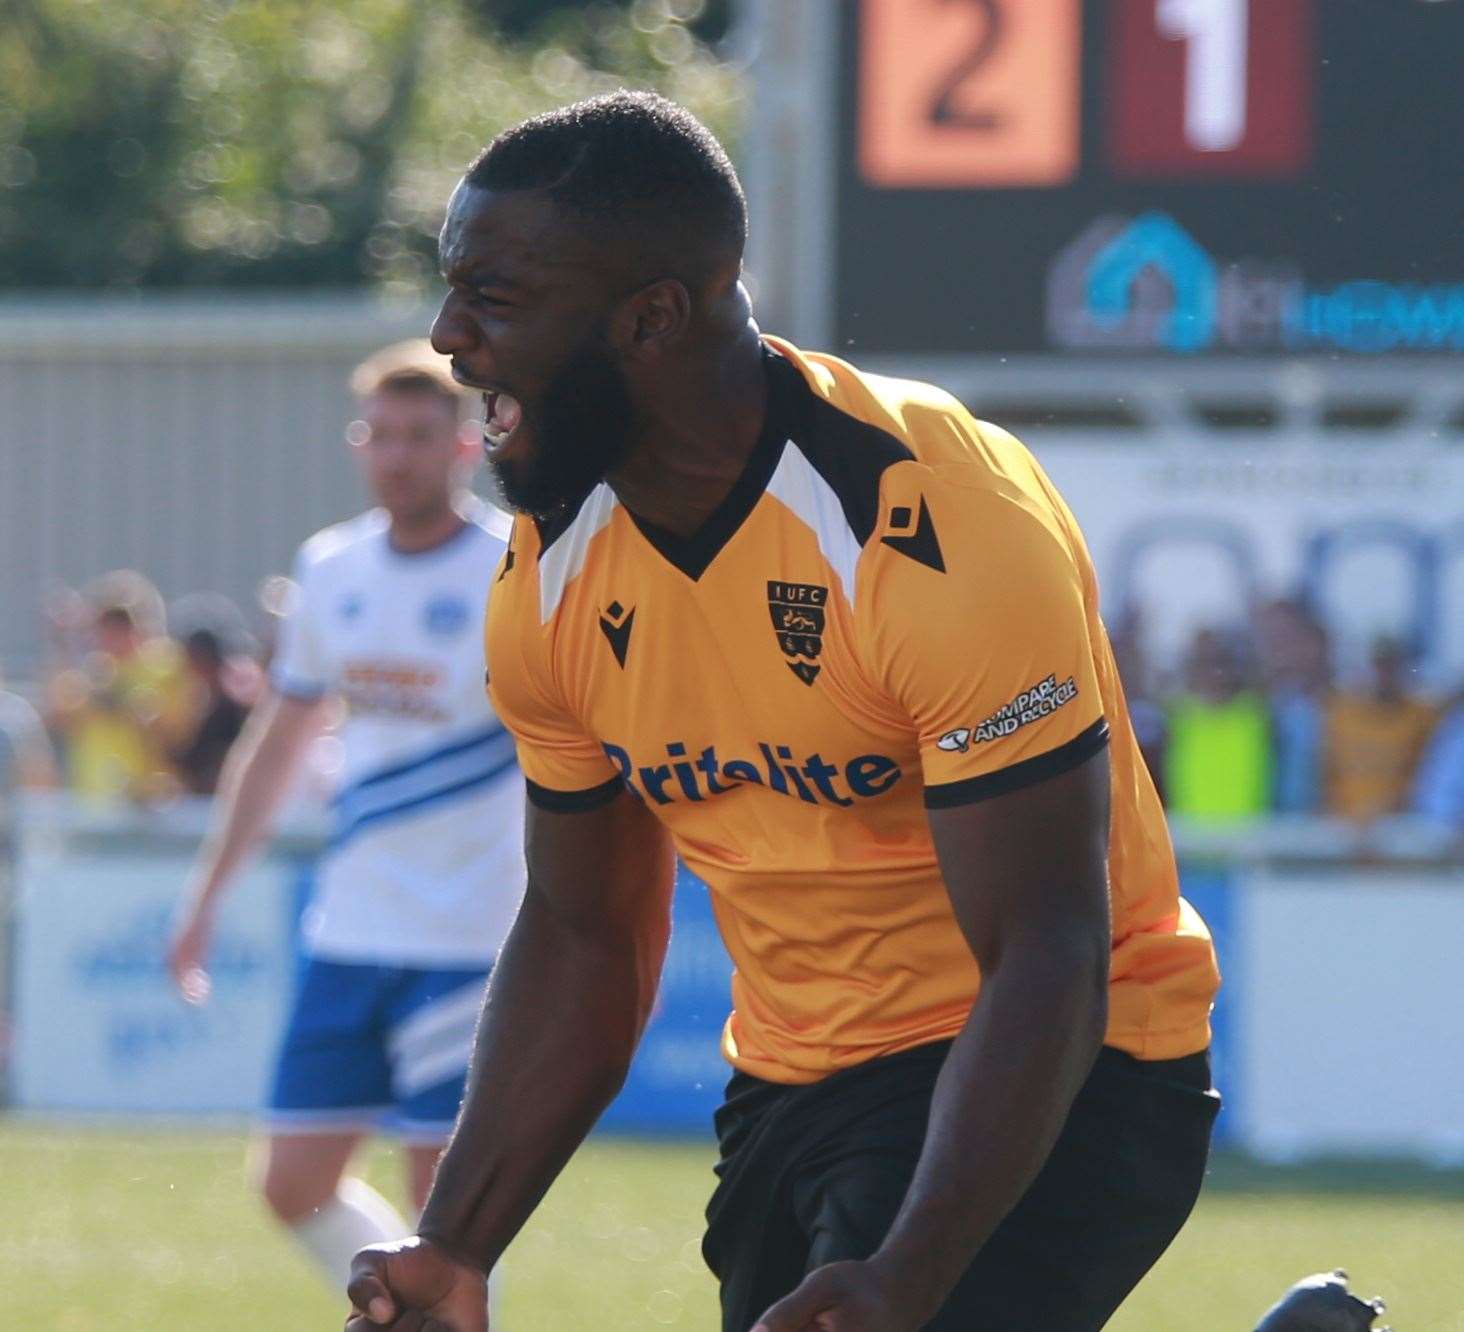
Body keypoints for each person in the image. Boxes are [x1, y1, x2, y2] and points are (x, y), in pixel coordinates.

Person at [346, 94, 1220, 1332]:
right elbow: (589, 934)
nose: (449, 339)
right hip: (792, 1084)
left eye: (493, 297)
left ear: (650, 316)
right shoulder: (546, 573)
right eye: (451, 291)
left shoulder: (925, 519)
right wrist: (456, 1245)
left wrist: (911, 1275)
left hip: (1070, 1056)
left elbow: (1048, 945)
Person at [167, 341, 524, 1294]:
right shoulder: (332, 565)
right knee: (292, 1183)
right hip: (353, 929)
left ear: (461, 446)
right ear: (358, 444)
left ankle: (433, 1309)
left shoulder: (512, 567)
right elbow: (280, 740)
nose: (399, 454)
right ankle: (399, 1311)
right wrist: (205, 898)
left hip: (469, 937)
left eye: (421, 435)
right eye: (382, 435)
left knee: (444, 1214)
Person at [1323, 634, 1438, 823]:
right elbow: (1324, 773)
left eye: (1390, 666)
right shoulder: (1338, 714)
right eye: (1378, 665)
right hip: (1341, 832)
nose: (1383, 674)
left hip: (1401, 831)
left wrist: (1382, 813)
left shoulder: (1423, 717)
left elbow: (1426, 778)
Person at [1164, 626, 1273, 820]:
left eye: (1220, 662)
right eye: (1203, 663)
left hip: (1250, 841)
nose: (1214, 673)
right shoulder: (1179, 718)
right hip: (1190, 843)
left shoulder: (1254, 716)